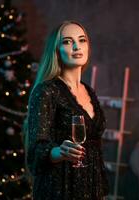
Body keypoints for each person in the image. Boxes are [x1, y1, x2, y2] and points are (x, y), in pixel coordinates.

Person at [26, 21, 109, 200]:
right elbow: (35, 151)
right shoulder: (46, 91)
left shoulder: (89, 91)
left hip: (91, 187)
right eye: (67, 41)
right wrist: (60, 152)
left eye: (82, 40)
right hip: (59, 188)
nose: (76, 46)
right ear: (56, 50)